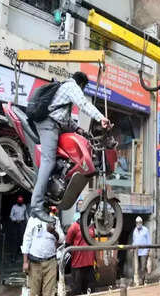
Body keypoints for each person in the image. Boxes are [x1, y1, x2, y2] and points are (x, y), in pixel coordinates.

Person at [30, 71, 112, 223]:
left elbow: (65, 119)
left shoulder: (65, 90)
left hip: (54, 124)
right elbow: (84, 104)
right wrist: (101, 118)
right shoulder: (71, 87)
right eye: (83, 88)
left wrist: (80, 131)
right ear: (81, 84)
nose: (81, 91)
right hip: (48, 125)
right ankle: (36, 205)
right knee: (49, 161)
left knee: (60, 159)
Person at [21, 206, 64, 296]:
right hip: (34, 263)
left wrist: (54, 232)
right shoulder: (33, 219)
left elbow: (62, 239)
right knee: (33, 294)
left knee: (49, 294)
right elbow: (27, 240)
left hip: (51, 262)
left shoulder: (55, 220)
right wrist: (25, 262)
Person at [65, 212, 96, 295]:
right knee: (77, 292)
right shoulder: (74, 227)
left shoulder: (91, 227)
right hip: (77, 266)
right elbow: (67, 244)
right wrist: (77, 254)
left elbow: (93, 242)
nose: (90, 219)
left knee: (90, 291)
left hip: (90, 265)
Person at [132, 216, 151, 284]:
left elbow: (148, 241)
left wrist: (148, 250)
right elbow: (134, 241)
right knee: (138, 267)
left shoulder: (145, 230)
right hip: (137, 252)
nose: (138, 224)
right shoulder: (135, 231)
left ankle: (141, 280)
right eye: (137, 222)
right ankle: (141, 279)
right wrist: (132, 248)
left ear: (142, 223)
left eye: (139, 222)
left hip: (144, 251)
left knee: (143, 266)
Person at [10, 195, 27, 262]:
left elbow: (26, 215)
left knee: (22, 238)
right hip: (16, 224)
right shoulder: (14, 207)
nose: (20, 203)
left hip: (22, 223)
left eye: (21, 201)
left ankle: (22, 254)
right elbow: (11, 216)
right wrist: (15, 219)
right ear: (17, 201)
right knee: (15, 239)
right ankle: (14, 256)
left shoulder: (24, 206)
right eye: (19, 201)